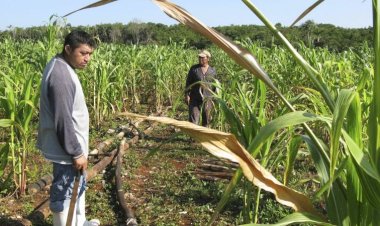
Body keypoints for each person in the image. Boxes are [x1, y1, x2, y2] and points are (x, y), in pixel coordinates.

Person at [37, 30, 100, 226]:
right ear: (68, 49)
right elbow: (62, 119)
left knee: (76, 187)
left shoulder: (62, 66)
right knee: (64, 193)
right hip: (66, 151)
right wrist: (75, 152)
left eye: (90, 54)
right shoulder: (61, 76)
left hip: (70, 148)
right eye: (83, 53)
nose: (87, 58)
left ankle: (80, 222)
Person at [185, 50, 217, 127]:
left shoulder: (212, 71)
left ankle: (204, 137)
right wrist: (187, 95)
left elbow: (215, 86)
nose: (200, 59)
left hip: (208, 99)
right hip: (194, 98)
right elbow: (188, 82)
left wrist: (215, 98)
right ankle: (193, 138)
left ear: (208, 59)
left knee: (207, 120)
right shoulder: (194, 69)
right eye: (199, 57)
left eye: (203, 58)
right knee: (193, 119)